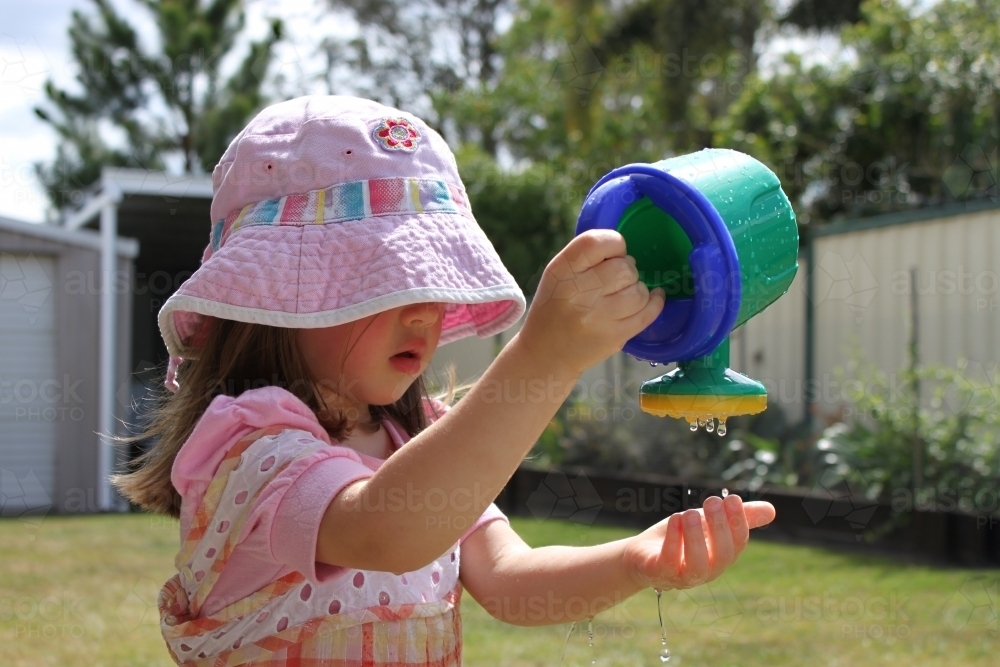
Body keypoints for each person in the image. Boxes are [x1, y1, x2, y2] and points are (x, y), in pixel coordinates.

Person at [111, 95, 775, 666]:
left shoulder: (415, 438)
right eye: (384, 276)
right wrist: (545, 355)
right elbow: (388, 531)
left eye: (430, 277)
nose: (425, 308)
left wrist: (634, 559)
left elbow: (511, 579)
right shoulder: (248, 449)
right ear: (275, 295)